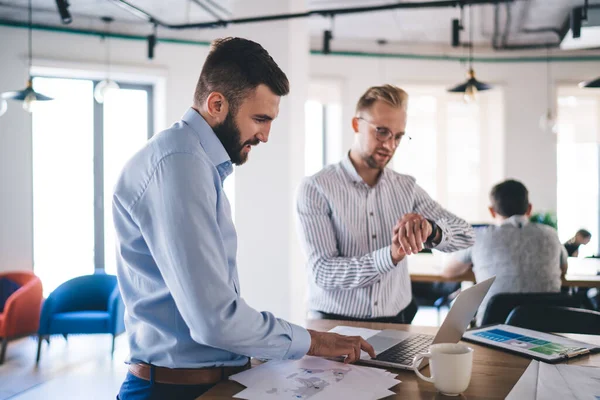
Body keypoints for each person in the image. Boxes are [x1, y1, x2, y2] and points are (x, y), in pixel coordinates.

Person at [113, 37, 374, 400]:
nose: (265, 135)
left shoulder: (194, 162)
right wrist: (312, 341)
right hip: (174, 391)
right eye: (260, 119)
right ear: (217, 104)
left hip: (204, 380)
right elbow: (214, 321)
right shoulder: (179, 166)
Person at [296, 84, 474, 325]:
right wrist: (389, 256)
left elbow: (466, 235)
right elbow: (324, 272)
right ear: (356, 124)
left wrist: (431, 230)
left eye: (398, 136)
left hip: (397, 322)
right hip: (333, 326)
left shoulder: (406, 188)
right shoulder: (316, 188)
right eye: (381, 132)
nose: (390, 145)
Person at [442, 179, 568, 325]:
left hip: (494, 331)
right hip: (547, 331)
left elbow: (448, 272)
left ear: (491, 211)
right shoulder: (551, 234)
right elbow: (563, 269)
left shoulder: (478, 236)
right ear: (529, 208)